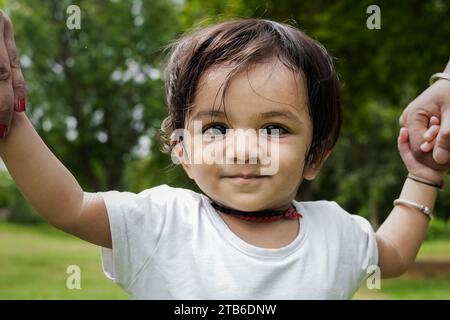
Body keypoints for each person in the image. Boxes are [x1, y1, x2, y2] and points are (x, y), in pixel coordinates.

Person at [0, 14, 448, 299]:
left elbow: (392, 252)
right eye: (216, 128)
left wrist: (424, 176)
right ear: (183, 151)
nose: (243, 147)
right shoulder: (161, 221)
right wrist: (10, 123)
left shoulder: (336, 232)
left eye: (274, 128)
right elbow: (69, 205)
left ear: (316, 156)